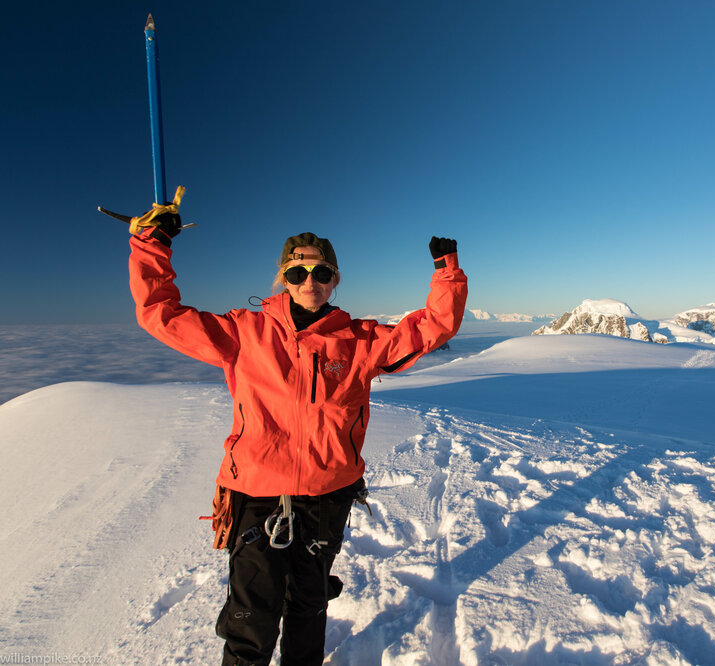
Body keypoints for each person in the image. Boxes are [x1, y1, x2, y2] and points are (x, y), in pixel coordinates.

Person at [125, 197, 467, 665]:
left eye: (322, 273)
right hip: (255, 495)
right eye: (298, 272)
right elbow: (160, 313)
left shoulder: (360, 340)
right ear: (282, 278)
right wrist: (153, 244)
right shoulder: (243, 332)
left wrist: (447, 273)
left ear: (335, 279)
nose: (311, 281)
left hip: (327, 497)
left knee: (309, 607)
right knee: (251, 620)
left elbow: (433, 328)